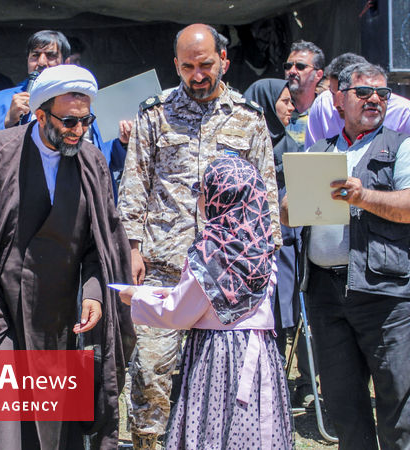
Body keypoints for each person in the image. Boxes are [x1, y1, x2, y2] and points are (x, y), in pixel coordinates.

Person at [0, 64, 135, 450]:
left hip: (57, 323)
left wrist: (92, 294)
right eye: (69, 120)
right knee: (3, 431)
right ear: (40, 115)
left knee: (53, 430)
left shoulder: (92, 162)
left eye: (86, 120)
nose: (79, 130)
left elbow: (99, 245)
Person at [117, 23, 281, 449]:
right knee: (151, 373)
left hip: (227, 277)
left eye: (205, 64)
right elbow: (135, 183)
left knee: (219, 383)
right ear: (176, 65)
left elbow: (265, 196)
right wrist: (132, 248)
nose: (197, 74)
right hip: (164, 264)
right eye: (187, 66)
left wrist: (266, 269)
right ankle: (148, 444)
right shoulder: (155, 114)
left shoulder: (248, 118)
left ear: (223, 60)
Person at [120, 156, 293, 449]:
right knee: (251, 431)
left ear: (220, 196)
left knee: (214, 428)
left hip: (219, 355)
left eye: (203, 190)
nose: (199, 197)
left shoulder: (211, 249)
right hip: (260, 351)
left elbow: (179, 313)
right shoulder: (260, 244)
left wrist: (137, 297)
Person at [281, 62, 410, 449]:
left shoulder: (401, 145)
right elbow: (288, 213)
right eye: (364, 93)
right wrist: (290, 204)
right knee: (343, 404)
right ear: (340, 99)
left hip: (383, 294)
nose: (375, 100)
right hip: (325, 294)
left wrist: (363, 196)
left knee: (397, 402)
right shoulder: (319, 150)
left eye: (383, 94)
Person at [0, 29, 128, 200]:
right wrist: (7, 121)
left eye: (51, 56)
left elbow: (108, 162)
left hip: (78, 203)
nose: (41, 62)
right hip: (16, 203)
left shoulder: (85, 103)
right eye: (35, 56)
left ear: (66, 62)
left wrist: (123, 143)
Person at [243, 78, 301, 362]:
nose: (293, 108)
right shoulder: (242, 141)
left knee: (275, 322)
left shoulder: (290, 144)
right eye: (286, 101)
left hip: (281, 246)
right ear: (266, 103)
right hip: (242, 248)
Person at [305, 52, 410, 148]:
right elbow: (312, 158)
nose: (335, 103)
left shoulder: (404, 113)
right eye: (333, 94)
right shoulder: (323, 104)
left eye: (364, 92)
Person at [283, 40, 324, 150]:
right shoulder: (275, 109)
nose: (292, 71)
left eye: (300, 66)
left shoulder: (324, 112)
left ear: (318, 75)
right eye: (288, 66)